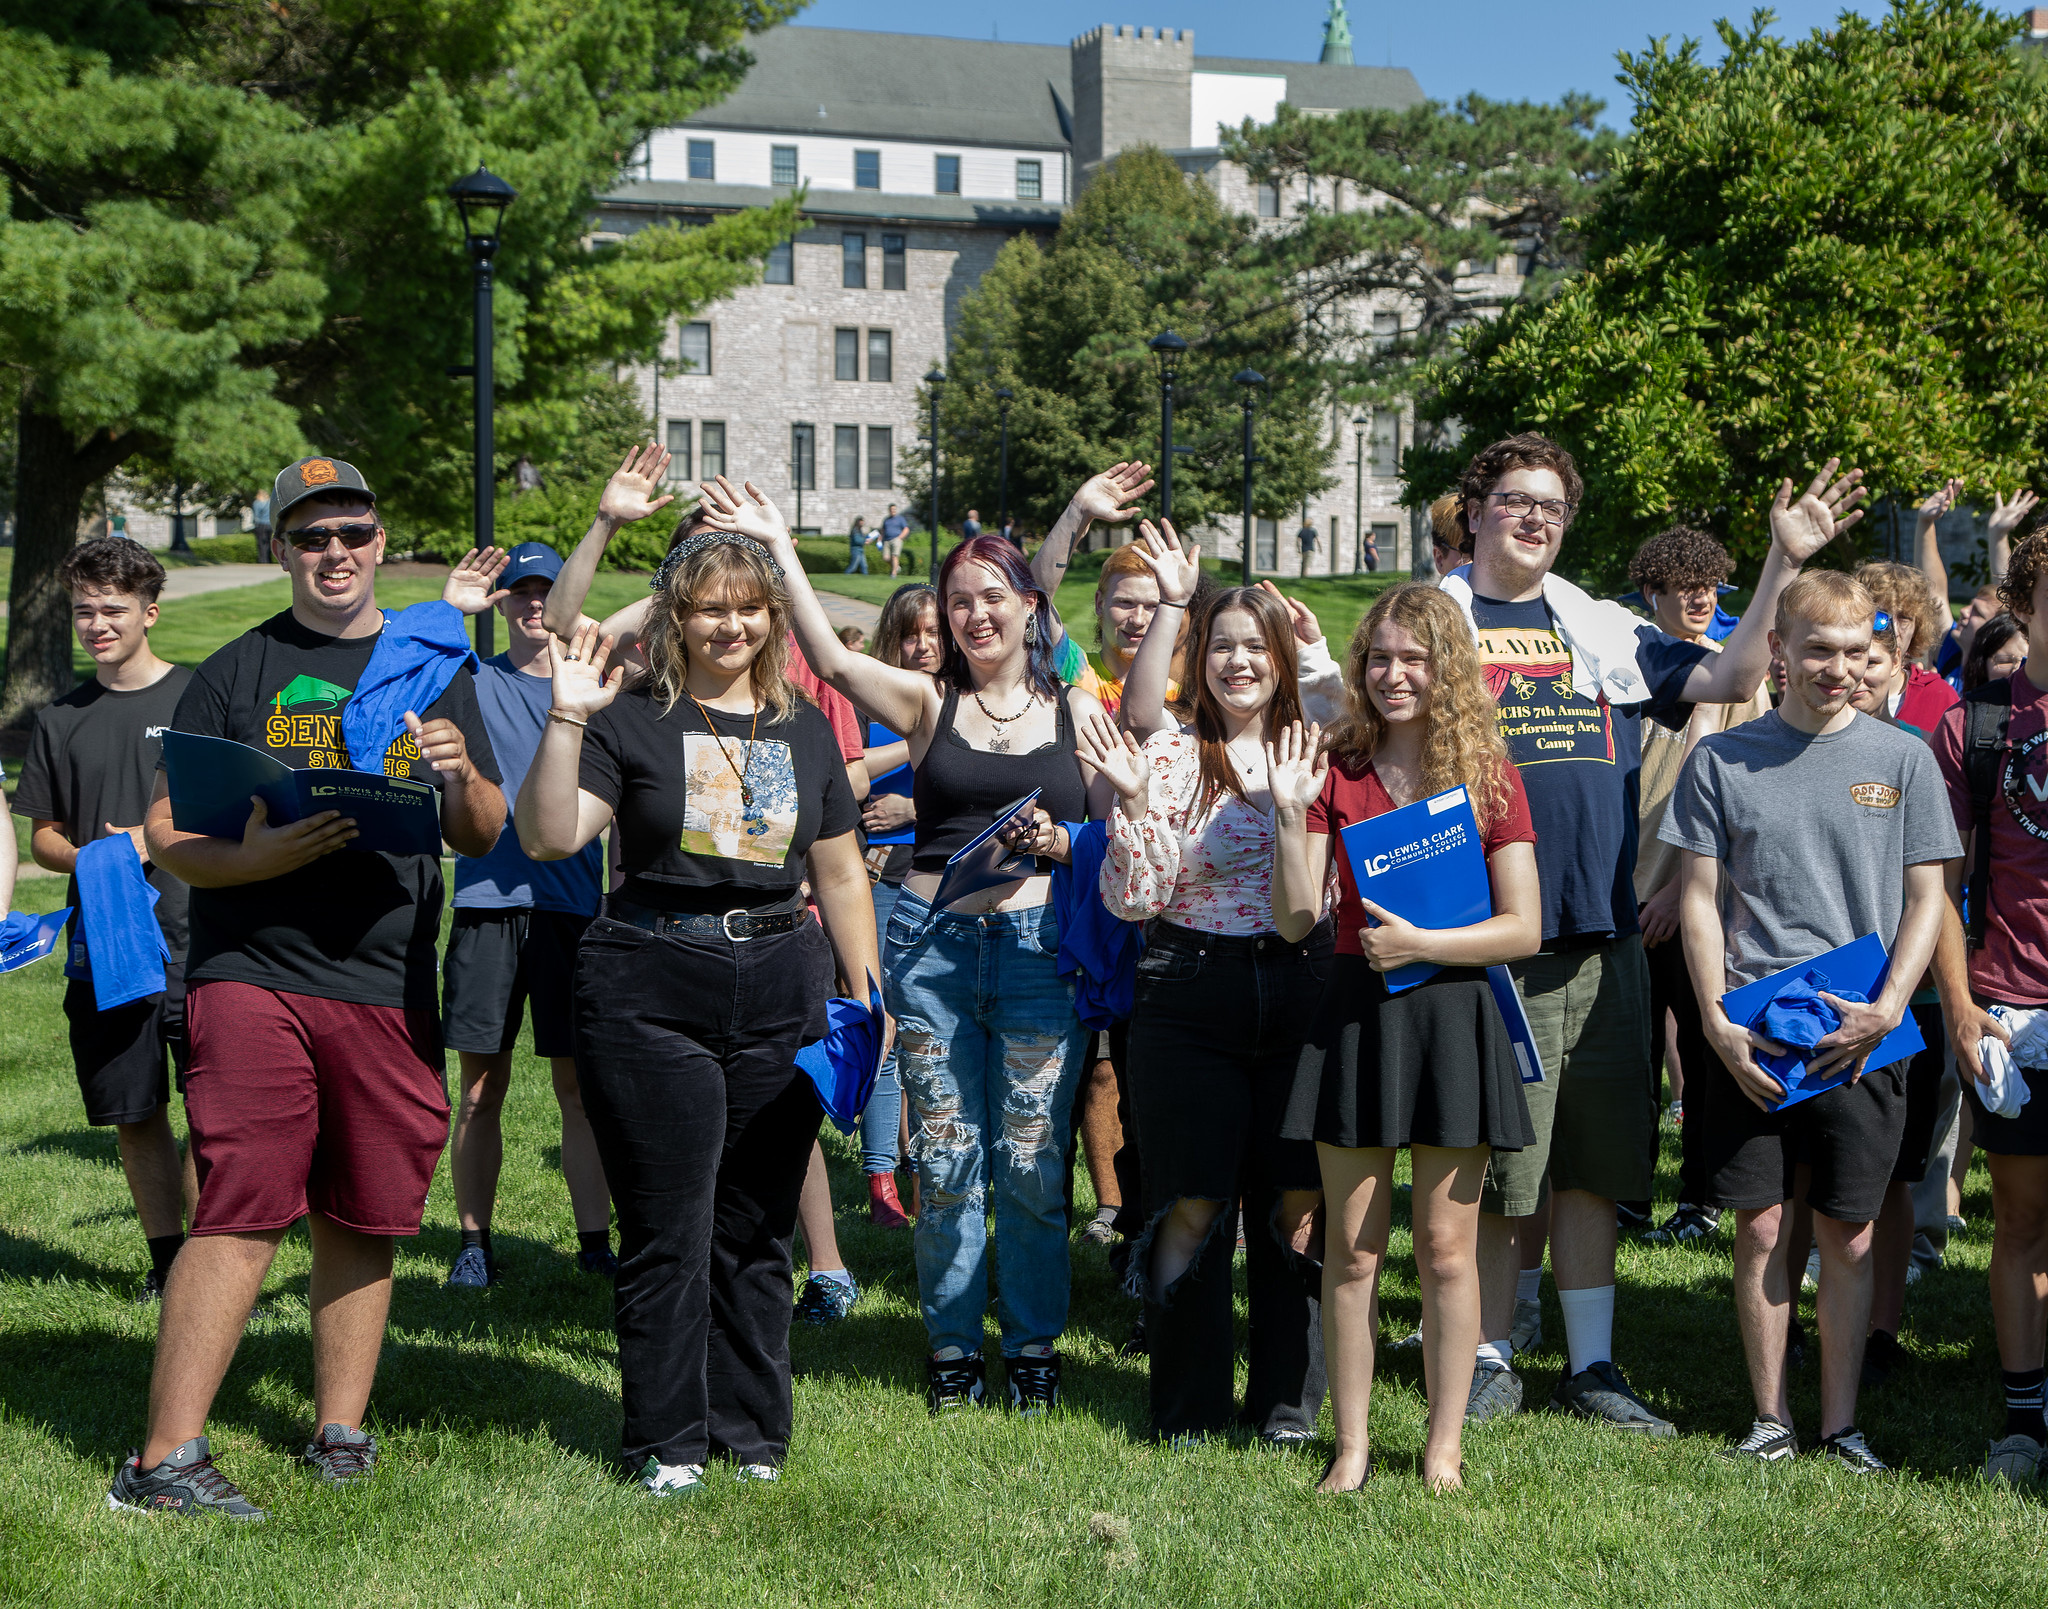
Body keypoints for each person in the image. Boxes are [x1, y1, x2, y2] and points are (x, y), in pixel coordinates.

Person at [1441, 432, 1863, 1433]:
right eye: (1512, 499)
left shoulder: (1596, 628)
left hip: (1601, 932)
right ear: (1475, 509)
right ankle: (1492, 1355)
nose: (1532, 516)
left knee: (1592, 1162)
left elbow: (1728, 677)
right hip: (1499, 938)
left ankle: (1591, 1367)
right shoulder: (1437, 621)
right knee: (1507, 1163)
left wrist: (1780, 563)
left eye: (1550, 503)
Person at [114, 455, 504, 1520]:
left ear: (380, 542)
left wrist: (457, 770)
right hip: (254, 969)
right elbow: (168, 831)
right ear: (279, 549)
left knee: (366, 1207)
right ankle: (163, 1459)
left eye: (350, 533)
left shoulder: (432, 660)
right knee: (246, 1194)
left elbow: (481, 830)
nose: (332, 553)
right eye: (308, 536)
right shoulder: (237, 670)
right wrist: (253, 863)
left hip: (385, 976)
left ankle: (340, 1428)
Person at [702, 472, 1124, 1417]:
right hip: (930, 948)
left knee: (1026, 1157)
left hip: (1035, 951)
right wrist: (777, 543)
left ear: (1029, 606)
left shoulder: (1073, 709)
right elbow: (830, 658)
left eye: (993, 598)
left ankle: (1031, 1343)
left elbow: (1105, 827)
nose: (975, 615)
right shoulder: (930, 703)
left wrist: (1060, 841)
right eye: (958, 600)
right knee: (945, 1157)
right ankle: (950, 1344)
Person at [517, 517, 876, 1495]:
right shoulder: (630, 716)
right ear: (676, 615)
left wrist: (864, 991)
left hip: (780, 976)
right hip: (647, 978)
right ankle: (666, 1440)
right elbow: (551, 836)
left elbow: (839, 871)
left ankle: (751, 1433)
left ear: (773, 617)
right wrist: (565, 718)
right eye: (709, 606)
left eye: (748, 606)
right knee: (671, 1222)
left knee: (757, 1222)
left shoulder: (804, 726)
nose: (730, 624)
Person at [1665, 570, 1956, 1473]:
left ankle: (1839, 1423)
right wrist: (1714, 1018)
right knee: (1757, 1226)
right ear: (1780, 652)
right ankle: (1769, 1418)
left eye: (1854, 653)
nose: (1836, 669)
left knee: (1850, 1231)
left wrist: (1890, 1006)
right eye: (1817, 650)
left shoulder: (1904, 756)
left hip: (1862, 1030)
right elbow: (1700, 898)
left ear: (1878, 655)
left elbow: (1928, 896)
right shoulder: (1722, 759)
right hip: (1751, 1029)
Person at [1271, 583, 1540, 1491]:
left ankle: (1443, 1446)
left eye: (1413, 658)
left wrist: (1424, 944)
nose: (1393, 675)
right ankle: (1349, 1447)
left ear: (1448, 667)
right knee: (1349, 1249)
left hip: (1453, 1017)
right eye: (1379, 657)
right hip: (1357, 1012)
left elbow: (1525, 927)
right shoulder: (1336, 766)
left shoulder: (1490, 776)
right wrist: (1287, 812)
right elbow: (1294, 915)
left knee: (1446, 1248)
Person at [1079, 557, 1334, 1448]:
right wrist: (1140, 804)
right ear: (1197, 659)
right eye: (1220, 645)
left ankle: (1287, 1407)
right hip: (1189, 992)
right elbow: (1135, 899)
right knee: (1192, 1200)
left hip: (1302, 991)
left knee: (1296, 1200)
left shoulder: (1322, 745)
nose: (1237, 661)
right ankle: (1186, 1405)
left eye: (1254, 645)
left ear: (1282, 656)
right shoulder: (1171, 754)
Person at [13, 537, 195, 1301]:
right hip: (107, 947)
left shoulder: (198, 696)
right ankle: (167, 1259)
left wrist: (156, 837)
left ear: (148, 611)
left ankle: (204, 1255)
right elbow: (42, 835)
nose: (96, 624)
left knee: (219, 1108)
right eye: (84, 610)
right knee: (135, 1110)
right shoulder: (59, 719)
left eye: (112, 609)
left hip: (204, 938)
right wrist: (96, 853)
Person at [439, 541, 613, 1288]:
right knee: (481, 1089)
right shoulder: (475, 679)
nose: (534, 602)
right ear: (502, 602)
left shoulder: (596, 686)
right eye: (520, 592)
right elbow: (404, 666)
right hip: (487, 904)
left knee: (579, 1087)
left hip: (572, 906)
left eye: (546, 591)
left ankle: (595, 1242)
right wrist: (455, 612)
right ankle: (474, 1242)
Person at [1930, 527, 2048, 1483]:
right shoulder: (1977, 724)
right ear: (2027, 599)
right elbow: (1935, 888)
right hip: (2014, 1007)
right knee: (2020, 1218)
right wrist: (1963, 1013)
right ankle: (2021, 1416)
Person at [1626, 528, 1773, 1252]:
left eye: (1710, 585)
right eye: (1683, 585)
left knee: (1709, 1060)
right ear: (1650, 592)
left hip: (1694, 900)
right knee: (1629, 1057)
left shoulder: (1734, 679)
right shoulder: (1629, 671)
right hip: (1622, 901)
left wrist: (1674, 887)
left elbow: (1732, 799)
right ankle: (1625, 1195)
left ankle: (1700, 1197)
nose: (1699, 597)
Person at [850, 584, 943, 1229]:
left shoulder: (974, 700)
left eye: (933, 632)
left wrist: (916, 806)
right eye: (910, 633)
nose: (923, 645)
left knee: (937, 1030)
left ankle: (933, 1170)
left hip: (950, 878)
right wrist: (913, 738)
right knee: (881, 1026)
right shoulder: (867, 700)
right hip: (880, 877)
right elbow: (848, 777)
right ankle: (882, 1175)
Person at [1916, 479, 2036, 688]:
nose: (1963, 611)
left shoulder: (2000, 676)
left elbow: (2011, 595)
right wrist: (1925, 523)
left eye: (1977, 613)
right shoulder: (1952, 652)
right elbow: (1933, 592)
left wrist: (1998, 537)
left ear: (1997, 630)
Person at [1856, 560, 1959, 734]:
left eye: (1904, 618)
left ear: (1917, 628)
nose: (1893, 628)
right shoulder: (1835, 684)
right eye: (1881, 616)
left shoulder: (1940, 696)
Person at [1962, 612, 2026, 692]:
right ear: (1982, 665)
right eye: (2005, 661)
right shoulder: (1964, 704)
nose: (2015, 670)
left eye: (2025, 661)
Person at [879, 504, 910, 578]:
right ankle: (896, 567)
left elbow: (906, 529)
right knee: (885, 558)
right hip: (887, 540)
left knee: (894, 556)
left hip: (896, 539)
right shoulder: (886, 520)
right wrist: (880, 538)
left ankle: (893, 573)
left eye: (894, 509)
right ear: (889, 510)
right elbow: (883, 530)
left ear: (895, 510)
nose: (892, 511)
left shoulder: (900, 519)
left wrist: (900, 537)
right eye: (891, 509)